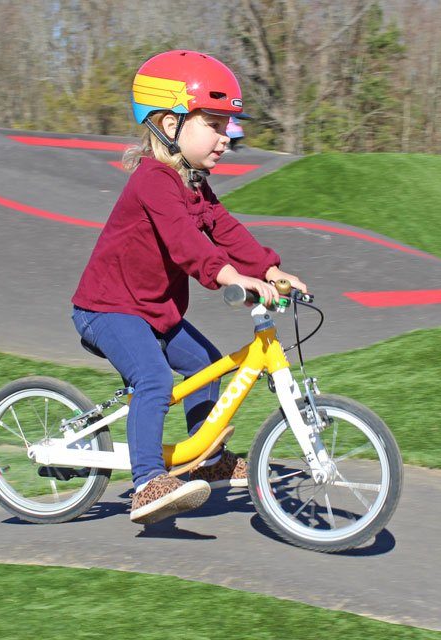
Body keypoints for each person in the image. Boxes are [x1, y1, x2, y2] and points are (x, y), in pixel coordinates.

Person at [71, 50, 307, 525]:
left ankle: (207, 457)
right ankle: (146, 483)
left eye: (229, 127)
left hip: (155, 309)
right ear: (169, 123)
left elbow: (225, 229)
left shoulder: (193, 183)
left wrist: (270, 269)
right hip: (108, 309)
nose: (226, 138)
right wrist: (231, 277)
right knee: (154, 379)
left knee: (207, 364)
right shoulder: (153, 181)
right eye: (215, 124)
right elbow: (186, 245)